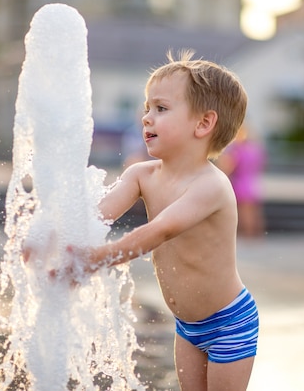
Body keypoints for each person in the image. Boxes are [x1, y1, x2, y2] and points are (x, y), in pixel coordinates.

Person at [28, 50, 259, 390]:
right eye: (147, 107)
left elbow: (160, 231)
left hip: (229, 324)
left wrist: (95, 260)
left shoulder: (212, 186)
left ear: (204, 123)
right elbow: (95, 215)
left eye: (161, 109)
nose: (146, 117)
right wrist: (51, 236)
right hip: (187, 326)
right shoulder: (142, 175)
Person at [217, 125, 267, 237]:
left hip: (242, 183)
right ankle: (258, 234)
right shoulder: (256, 149)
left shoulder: (238, 150)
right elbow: (262, 165)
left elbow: (229, 166)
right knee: (255, 212)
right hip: (254, 182)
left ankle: (247, 235)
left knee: (245, 212)